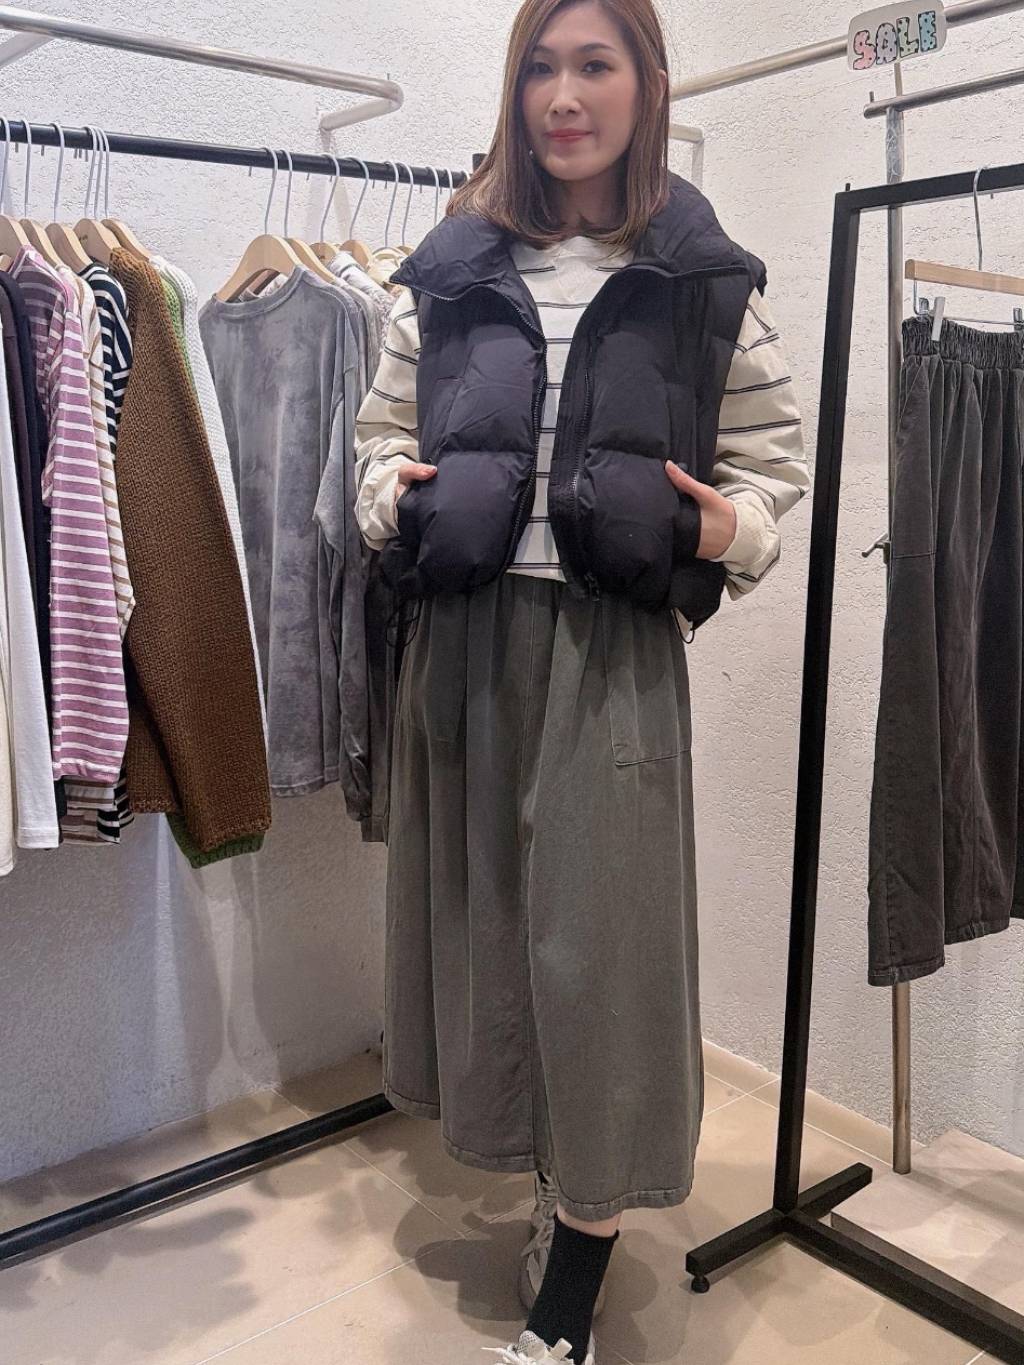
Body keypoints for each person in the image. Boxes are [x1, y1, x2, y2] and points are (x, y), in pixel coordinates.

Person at [354, 0, 809, 1359]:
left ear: (646, 83)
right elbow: (374, 438)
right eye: (540, 67)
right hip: (467, 644)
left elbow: (772, 464)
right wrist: (388, 493)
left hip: (613, 651)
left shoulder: (702, 277)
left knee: (603, 954)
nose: (564, 95)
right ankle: (542, 1175)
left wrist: (730, 532)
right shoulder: (451, 271)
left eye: (594, 64)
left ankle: (577, 1268)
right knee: (489, 930)